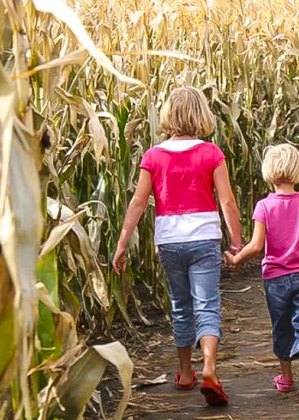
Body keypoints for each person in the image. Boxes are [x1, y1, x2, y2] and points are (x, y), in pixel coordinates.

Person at [112, 86, 241, 406]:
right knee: (207, 305)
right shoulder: (212, 153)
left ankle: (185, 373)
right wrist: (237, 241)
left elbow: (138, 203)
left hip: (170, 241)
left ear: (169, 115)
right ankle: (209, 368)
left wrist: (122, 243)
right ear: (201, 114)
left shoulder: (153, 156)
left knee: (181, 306)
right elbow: (226, 200)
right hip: (204, 238)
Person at [225, 144, 299, 404]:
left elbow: (257, 245)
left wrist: (236, 258)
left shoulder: (264, 206)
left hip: (276, 279)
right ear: (298, 171)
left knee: (281, 326)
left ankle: (286, 378)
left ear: (268, 173)